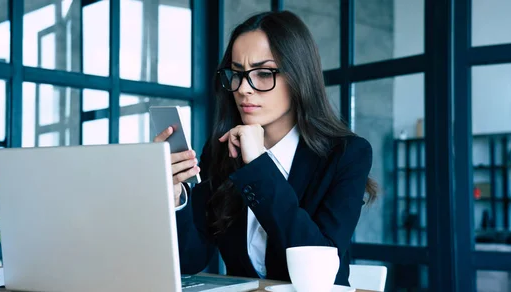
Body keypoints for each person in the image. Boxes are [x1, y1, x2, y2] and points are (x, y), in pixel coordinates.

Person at [154, 10, 377, 286]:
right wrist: (175, 196)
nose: (244, 89)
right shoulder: (222, 151)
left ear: (299, 77)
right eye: (236, 74)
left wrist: (259, 165)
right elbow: (190, 260)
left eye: (263, 73)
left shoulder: (347, 155)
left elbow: (318, 266)